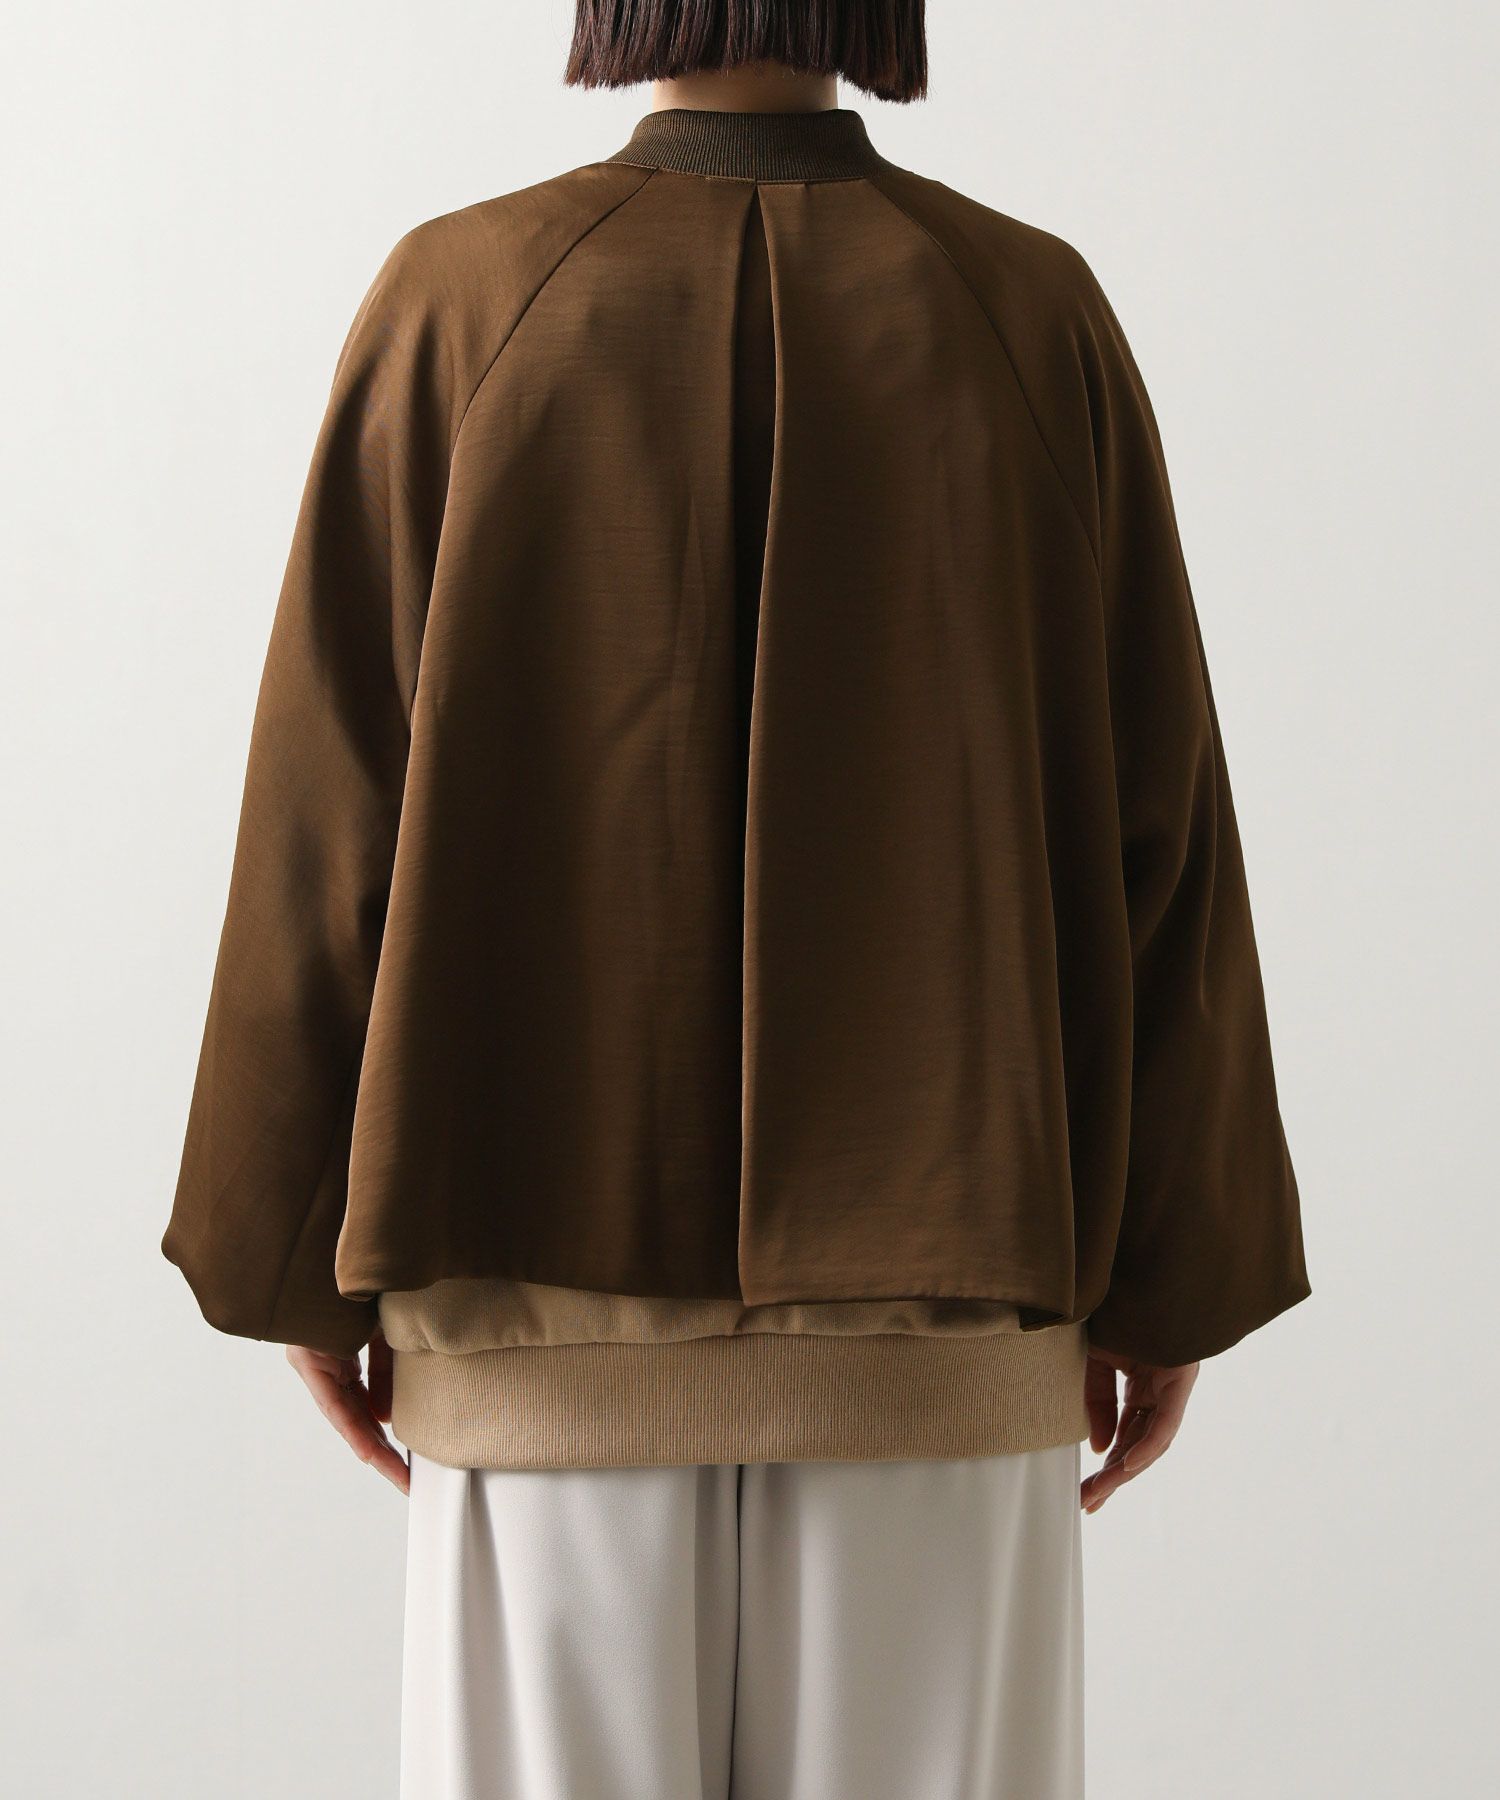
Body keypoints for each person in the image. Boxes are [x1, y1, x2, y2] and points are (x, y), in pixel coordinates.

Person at [161, 4, 1311, 1795]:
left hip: (531, 1339)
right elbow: (1161, 828)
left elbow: (328, 810)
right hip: (953, 1345)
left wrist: (290, 1241)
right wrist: (1175, 1261)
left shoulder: (462, 301)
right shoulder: (1031, 316)